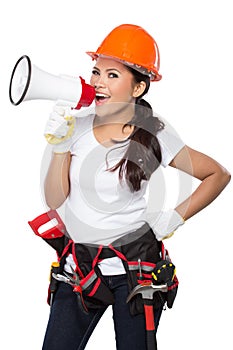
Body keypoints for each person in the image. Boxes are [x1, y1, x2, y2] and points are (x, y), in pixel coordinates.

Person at [40, 24, 230, 350]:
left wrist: (175, 217)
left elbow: (218, 175)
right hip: (78, 270)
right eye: (96, 71)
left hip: (133, 273)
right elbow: (56, 199)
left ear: (139, 86)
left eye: (113, 75)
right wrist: (59, 145)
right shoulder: (77, 124)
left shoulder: (154, 133)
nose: (98, 81)